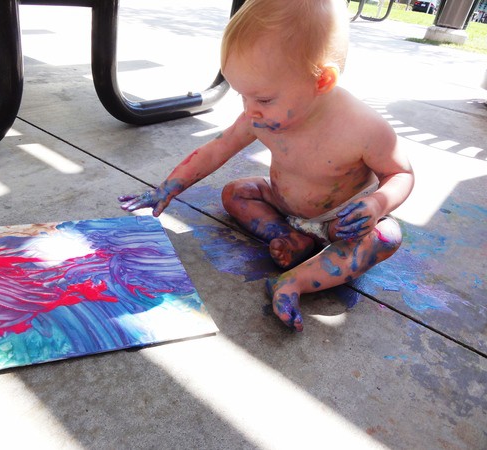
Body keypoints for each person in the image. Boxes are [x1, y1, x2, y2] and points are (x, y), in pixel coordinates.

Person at [119, 0, 414, 331]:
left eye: (262, 99)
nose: (250, 110)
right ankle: (291, 238)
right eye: (242, 96)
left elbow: (400, 174)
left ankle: (293, 281)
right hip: (284, 204)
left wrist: (376, 204)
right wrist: (169, 186)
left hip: (339, 223)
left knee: (387, 236)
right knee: (235, 193)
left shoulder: (363, 128)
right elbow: (218, 148)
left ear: (322, 80)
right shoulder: (261, 117)